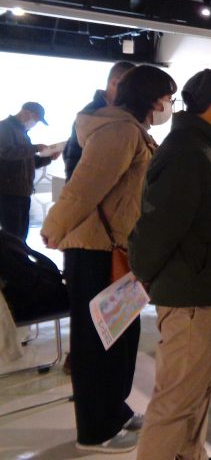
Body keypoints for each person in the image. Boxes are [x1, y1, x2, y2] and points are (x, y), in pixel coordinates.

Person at [41, 65, 177, 454]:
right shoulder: (118, 131)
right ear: (151, 99)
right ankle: (94, 430)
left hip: (118, 249)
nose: (168, 105)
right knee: (96, 342)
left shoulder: (132, 130)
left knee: (119, 337)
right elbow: (84, 188)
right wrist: (54, 228)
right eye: (167, 97)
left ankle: (114, 409)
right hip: (95, 251)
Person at [128, 69, 211, 460]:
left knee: (196, 391)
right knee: (177, 400)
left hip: (201, 291)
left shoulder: (195, 147)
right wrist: (144, 274)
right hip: (191, 298)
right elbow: (159, 227)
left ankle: (190, 454)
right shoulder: (187, 152)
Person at [64, 61, 135, 180]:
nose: (134, 94)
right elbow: (74, 157)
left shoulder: (122, 113)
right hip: (87, 184)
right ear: (114, 83)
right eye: (131, 87)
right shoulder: (91, 114)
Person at [0, 102, 57, 240]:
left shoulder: (23, 134)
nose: (35, 124)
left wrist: (49, 157)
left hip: (22, 192)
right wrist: (35, 148)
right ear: (27, 113)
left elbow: (27, 162)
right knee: (12, 237)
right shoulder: (4, 127)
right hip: (8, 192)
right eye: (36, 120)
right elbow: (6, 153)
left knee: (21, 236)